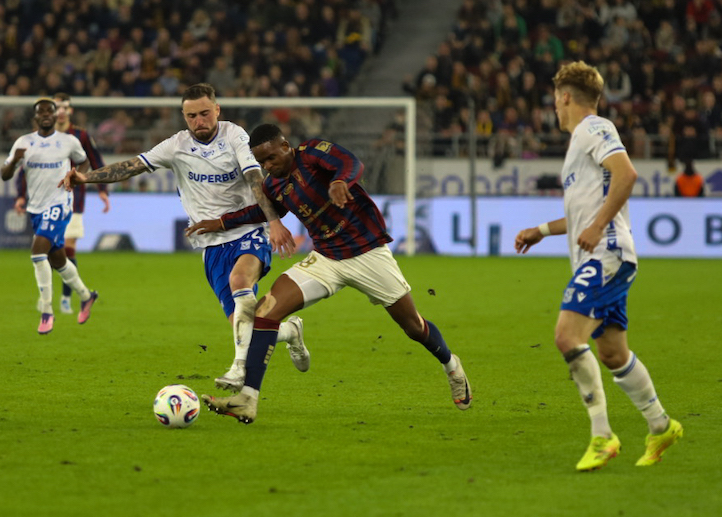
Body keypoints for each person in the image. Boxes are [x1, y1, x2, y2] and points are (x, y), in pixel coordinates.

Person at [188, 123, 472, 424]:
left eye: (271, 158)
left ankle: (451, 365)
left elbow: (350, 163)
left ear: (285, 146)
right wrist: (221, 222)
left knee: (414, 327)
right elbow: (262, 211)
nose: (268, 166)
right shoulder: (275, 185)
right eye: (262, 162)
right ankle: (247, 399)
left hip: (368, 253)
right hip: (327, 259)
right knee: (264, 313)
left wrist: (339, 181)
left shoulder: (312, 153)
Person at [59, 83, 309, 390]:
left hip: (247, 230)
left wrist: (272, 220)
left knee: (240, 280)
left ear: (217, 110)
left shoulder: (235, 136)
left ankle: (238, 368)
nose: (199, 121)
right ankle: (290, 332)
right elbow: (132, 166)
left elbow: (254, 176)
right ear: (184, 116)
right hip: (211, 245)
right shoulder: (175, 145)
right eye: (191, 116)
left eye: (205, 113)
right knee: (246, 327)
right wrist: (86, 177)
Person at [514, 61, 682, 471]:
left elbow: (626, 174)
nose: (555, 108)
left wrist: (598, 225)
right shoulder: (580, 142)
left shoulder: (593, 127)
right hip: (601, 254)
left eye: (555, 99)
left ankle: (602, 435)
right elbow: (583, 214)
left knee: (566, 336)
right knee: (612, 353)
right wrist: (541, 230)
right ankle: (661, 425)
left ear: (564, 97)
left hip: (606, 253)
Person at [1, 98, 100, 335]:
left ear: (55, 116)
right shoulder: (23, 142)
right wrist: (14, 160)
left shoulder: (68, 141)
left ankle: (46, 311)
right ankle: (86, 296)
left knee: (38, 252)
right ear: (35, 117)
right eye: (41, 111)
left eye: (50, 111)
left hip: (60, 203)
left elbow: (84, 161)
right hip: (36, 208)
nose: (46, 114)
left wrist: (76, 177)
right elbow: (5, 174)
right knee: (58, 260)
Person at [15, 92, 111, 315]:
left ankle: (65, 299)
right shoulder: (38, 138)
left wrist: (102, 190)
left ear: (70, 110)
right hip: (41, 202)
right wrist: (20, 195)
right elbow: (25, 168)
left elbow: (94, 160)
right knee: (50, 251)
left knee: (67, 247)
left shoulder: (79, 135)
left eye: (64, 107)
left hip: (71, 201)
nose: (59, 111)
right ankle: (72, 295)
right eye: (56, 107)